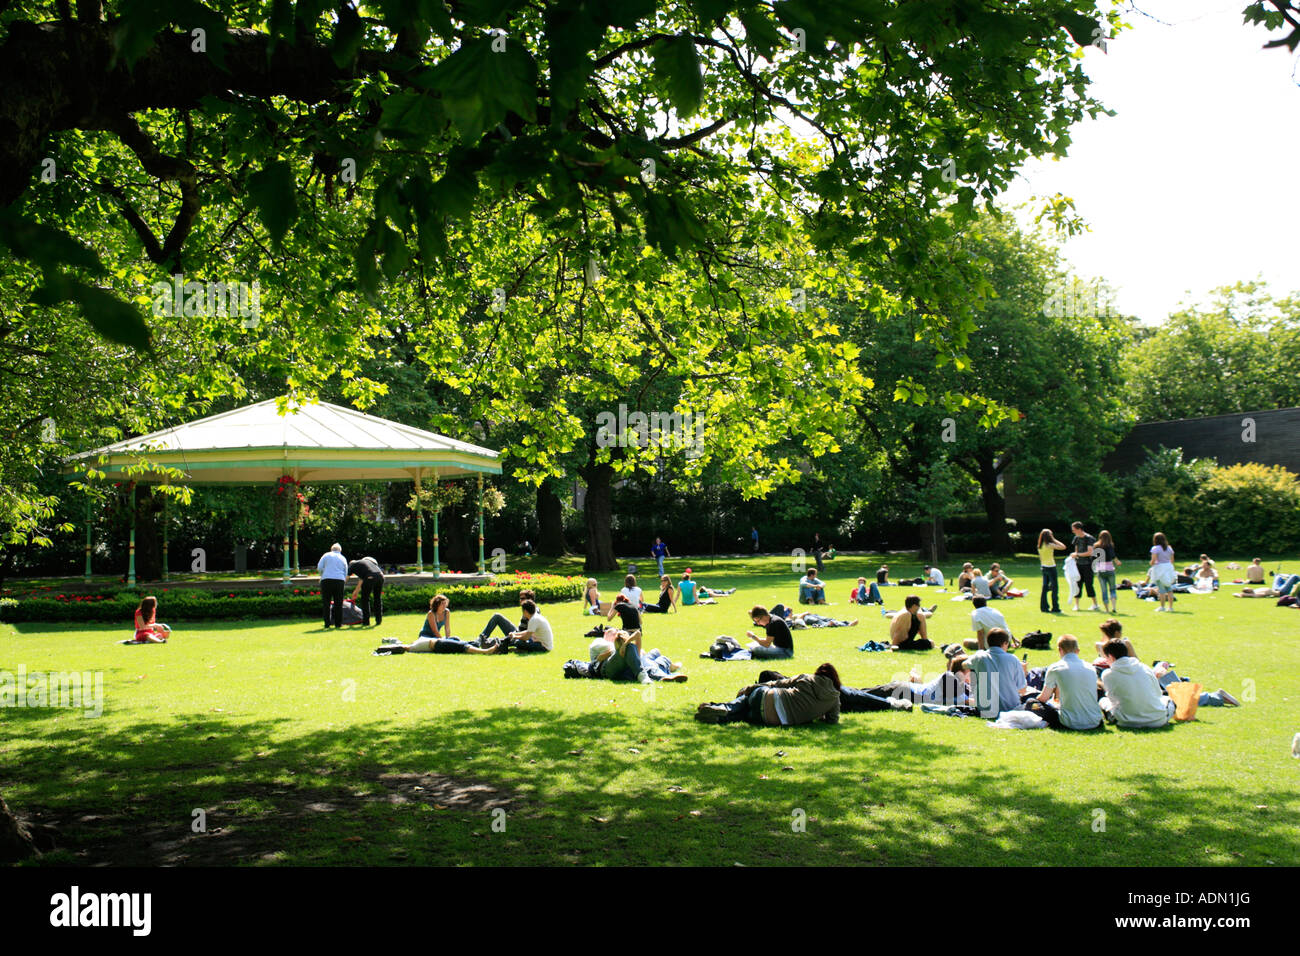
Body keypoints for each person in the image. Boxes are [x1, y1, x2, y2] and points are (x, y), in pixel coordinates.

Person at [695, 663, 841, 725]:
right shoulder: (834, 698)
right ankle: (719, 718)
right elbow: (833, 719)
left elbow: (777, 683)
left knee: (747, 700)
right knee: (746, 715)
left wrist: (750, 688)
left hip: (769, 697)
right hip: (776, 720)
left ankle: (723, 708)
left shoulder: (807, 678)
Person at [376, 595, 502, 655]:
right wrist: (442, 639)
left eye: (445, 604)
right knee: (455, 643)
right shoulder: (431, 614)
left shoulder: (447, 612)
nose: (444, 606)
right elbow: (435, 631)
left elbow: (447, 628)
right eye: (442, 604)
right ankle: (484, 650)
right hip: (427, 636)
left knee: (456, 639)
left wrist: (448, 637)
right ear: (437, 604)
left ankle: (484, 644)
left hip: (435, 641)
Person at [1032, 635, 1105, 730]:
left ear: (1059, 650)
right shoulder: (1090, 668)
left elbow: (1043, 699)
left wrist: (1034, 699)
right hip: (1094, 720)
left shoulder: (1055, 668)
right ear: (1077, 650)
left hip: (1069, 722)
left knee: (1032, 704)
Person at [1099, 640, 1174, 728]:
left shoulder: (1108, 674)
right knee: (1168, 700)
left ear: (1111, 657)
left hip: (1127, 721)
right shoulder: (1144, 667)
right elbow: (1158, 693)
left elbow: (1113, 700)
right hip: (1157, 719)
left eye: (1105, 658)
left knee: (1103, 701)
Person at [851, 656, 973, 707]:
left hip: (907, 690)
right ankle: (843, 694)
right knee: (865, 695)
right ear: (962, 671)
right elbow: (967, 701)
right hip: (903, 690)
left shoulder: (961, 684)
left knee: (867, 696)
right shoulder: (950, 678)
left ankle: (845, 695)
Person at [969, 628, 1029, 717]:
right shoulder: (1012, 659)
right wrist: (1023, 671)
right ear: (1005, 643)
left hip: (984, 709)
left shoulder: (979, 657)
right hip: (1009, 708)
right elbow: (1022, 690)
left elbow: (964, 665)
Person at [591, 629, 686, 683]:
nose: (616, 633)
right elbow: (598, 658)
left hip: (636, 662)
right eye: (613, 632)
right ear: (606, 634)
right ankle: (662, 674)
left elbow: (638, 633)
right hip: (611, 668)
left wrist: (625, 644)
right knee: (649, 662)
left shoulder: (628, 647)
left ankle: (670, 671)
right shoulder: (601, 642)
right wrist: (619, 649)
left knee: (658, 655)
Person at [1070, 521, 1101, 612]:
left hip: (1088, 564)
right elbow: (1076, 551)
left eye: (1074, 530)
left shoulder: (1089, 538)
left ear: (1079, 529)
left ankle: (1095, 604)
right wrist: (1076, 556)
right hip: (1078, 564)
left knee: (1089, 584)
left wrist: (1078, 555)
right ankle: (1076, 605)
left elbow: (1090, 552)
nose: (1073, 532)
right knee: (1077, 584)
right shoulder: (1076, 538)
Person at [346, 554, 385, 626]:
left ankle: (366, 621)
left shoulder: (352, 566)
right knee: (377, 598)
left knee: (365, 599)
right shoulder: (364, 564)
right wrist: (356, 592)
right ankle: (378, 620)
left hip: (370, 577)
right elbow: (361, 580)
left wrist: (340, 586)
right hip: (381, 576)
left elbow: (346, 578)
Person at [317, 542, 349, 628]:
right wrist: (343, 579)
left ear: (331, 549)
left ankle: (327, 623)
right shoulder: (343, 558)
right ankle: (338, 623)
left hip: (326, 579)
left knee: (326, 602)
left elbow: (319, 567)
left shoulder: (326, 555)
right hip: (339, 580)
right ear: (340, 550)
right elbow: (346, 571)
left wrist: (322, 574)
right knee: (338, 602)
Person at [1037, 528, 1066, 613]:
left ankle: (1044, 607)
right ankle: (1055, 607)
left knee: (1045, 588)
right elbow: (1063, 547)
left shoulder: (1040, 545)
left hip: (1044, 567)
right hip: (1051, 567)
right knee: (1054, 588)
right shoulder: (1049, 545)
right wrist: (1054, 539)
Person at [1148, 532, 1177, 613]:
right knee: (1169, 588)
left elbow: (1153, 560)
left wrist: (1151, 563)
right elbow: (1172, 560)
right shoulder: (1169, 548)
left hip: (1159, 568)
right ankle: (1170, 607)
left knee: (1161, 589)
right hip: (1168, 568)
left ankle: (1162, 606)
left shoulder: (1155, 548)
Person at [1094, 530, 1121, 614]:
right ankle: (1114, 607)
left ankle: (1107, 609)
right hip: (1109, 569)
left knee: (1104, 590)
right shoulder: (1110, 546)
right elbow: (1113, 556)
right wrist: (1117, 562)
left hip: (1100, 569)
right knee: (1112, 589)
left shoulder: (1096, 546)